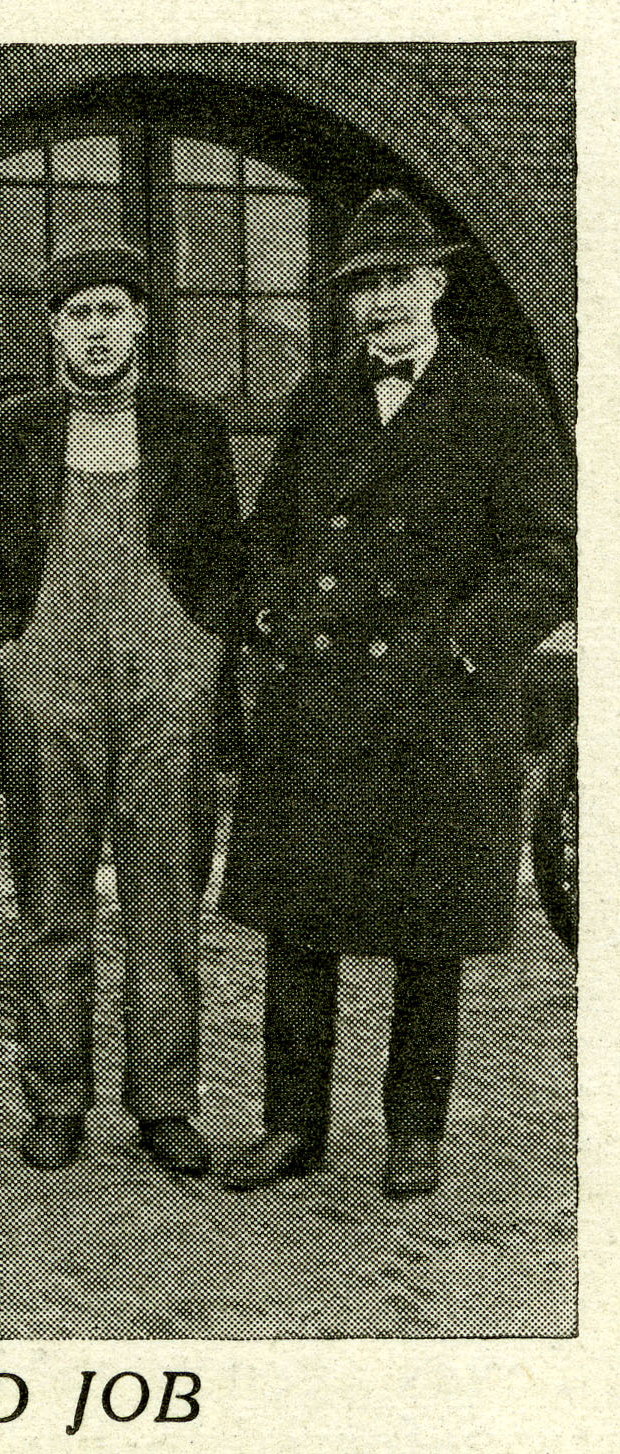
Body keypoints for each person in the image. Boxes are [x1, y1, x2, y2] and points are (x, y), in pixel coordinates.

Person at [217, 189, 576, 1197]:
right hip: (320, 703)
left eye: (398, 280)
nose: (381, 303)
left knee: (429, 933)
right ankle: (293, 1124)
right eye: (363, 285)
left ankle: (412, 1128)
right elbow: (270, 537)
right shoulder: (315, 400)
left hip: (437, 709)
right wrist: (268, 617)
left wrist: (464, 650)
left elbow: (547, 557)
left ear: (438, 283)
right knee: (300, 924)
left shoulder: (500, 403)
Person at [0, 245, 245, 1176]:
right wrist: (6, 649)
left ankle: (163, 1105)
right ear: (52, 327)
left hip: (169, 688)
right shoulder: (13, 430)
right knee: (51, 909)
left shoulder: (190, 428)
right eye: (77, 313)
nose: (95, 331)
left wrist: (201, 653)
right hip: (49, 688)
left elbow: (221, 554)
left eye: (111, 312)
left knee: (164, 910)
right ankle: (55, 1103)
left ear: (140, 324)